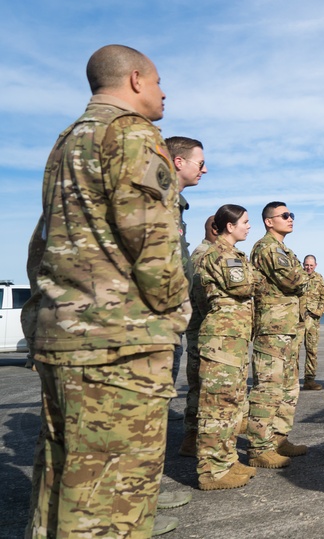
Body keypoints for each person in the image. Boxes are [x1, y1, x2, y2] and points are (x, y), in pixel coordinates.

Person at [22, 45, 191, 537]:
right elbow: (154, 243)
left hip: (64, 332)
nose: (164, 93)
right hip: (118, 343)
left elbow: (41, 242)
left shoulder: (67, 142)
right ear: (135, 79)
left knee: (63, 481)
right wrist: (174, 311)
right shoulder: (132, 133)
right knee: (112, 500)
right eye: (158, 82)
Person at [194, 204, 262, 490]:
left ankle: (226, 460)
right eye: (245, 222)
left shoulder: (234, 254)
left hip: (233, 339)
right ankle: (211, 470)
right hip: (221, 339)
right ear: (229, 226)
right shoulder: (220, 254)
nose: (249, 226)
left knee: (232, 404)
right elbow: (243, 286)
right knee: (217, 406)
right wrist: (256, 278)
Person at [246, 202, 307, 468]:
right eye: (284, 215)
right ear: (269, 221)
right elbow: (294, 280)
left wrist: (301, 276)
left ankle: (279, 439)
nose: (290, 218)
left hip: (288, 328)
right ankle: (259, 448)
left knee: (289, 388)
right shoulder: (267, 248)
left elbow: (298, 278)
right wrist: (303, 277)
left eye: (291, 215)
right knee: (268, 389)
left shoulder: (283, 249)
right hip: (272, 329)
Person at [164, 136, 207, 386]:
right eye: (200, 164)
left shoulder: (174, 204)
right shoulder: (156, 200)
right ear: (179, 162)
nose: (205, 170)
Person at [179, 216, 219, 458]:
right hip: (202, 332)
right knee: (200, 386)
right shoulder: (204, 255)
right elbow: (202, 296)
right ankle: (192, 437)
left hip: (200, 330)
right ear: (216, 229)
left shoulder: (204, 253)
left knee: (200, 385)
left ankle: (196, 435)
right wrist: (215, 322)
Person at [299, 255, 324, 391]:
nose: (308, 268)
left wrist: (319, 311)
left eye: (311, 265)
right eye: (306, 265)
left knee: (312, 351)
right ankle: (291, 380)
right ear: (303, 264)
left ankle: (309, 380)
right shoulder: (297, 277)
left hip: (312, 320)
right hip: (298, 319)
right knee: (293, 351)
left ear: (315, 265)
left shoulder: (319, 278)